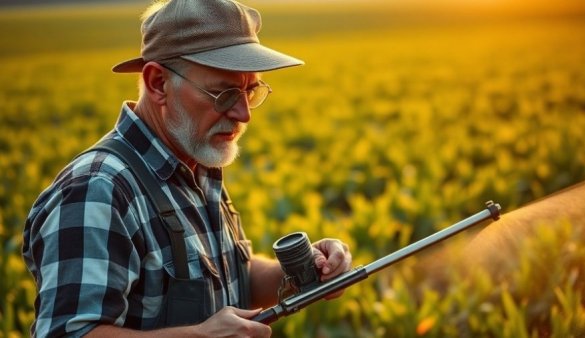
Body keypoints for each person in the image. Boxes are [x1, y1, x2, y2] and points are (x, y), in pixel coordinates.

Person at [22, 0, 353, 337]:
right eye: (223, 94)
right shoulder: (97, 191)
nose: (244, 114)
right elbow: (68, 333)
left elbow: (233, 277)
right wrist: (199, 336)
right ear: (158, 83)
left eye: (249, 91)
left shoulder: (197, 164)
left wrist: (307, 274)